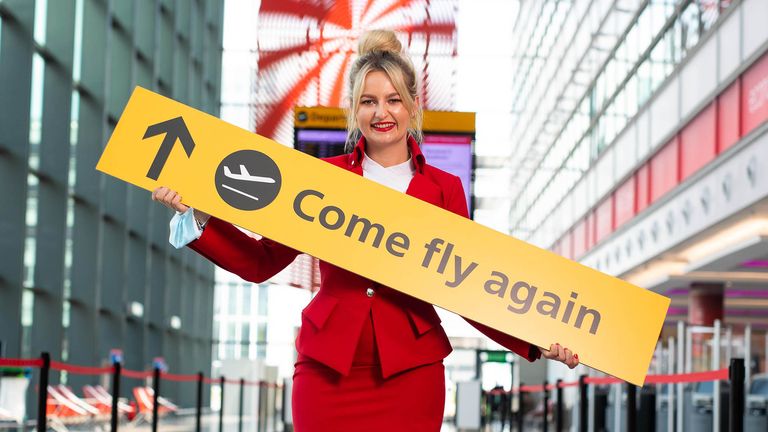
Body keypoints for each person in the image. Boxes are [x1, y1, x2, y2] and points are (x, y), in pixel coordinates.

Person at [152, 29, 578, 431]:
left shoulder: (445, 189)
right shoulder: (321, 178)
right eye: (369, 101)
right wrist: (202, 217)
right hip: (326, 371)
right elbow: (261, 263)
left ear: (413, 105)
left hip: (412, 372)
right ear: (354, 109)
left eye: (393, 100)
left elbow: (468, 289)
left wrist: (536, 339)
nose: (381, 113)